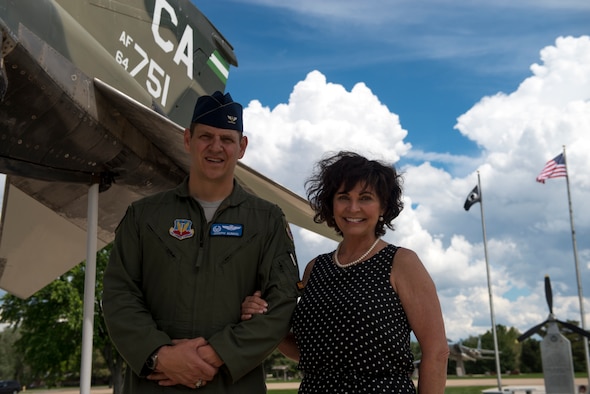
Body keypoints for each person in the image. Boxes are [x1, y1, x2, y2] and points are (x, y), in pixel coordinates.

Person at [102, 91, 302, 393]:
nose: (216, 147)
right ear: (187, 139)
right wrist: (160, 356)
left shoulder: (268, 220)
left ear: (242, 146)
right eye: (206, 136)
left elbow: (281, 304)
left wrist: (215, 354)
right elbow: (119, 295)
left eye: (226, 139)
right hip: (155, 384)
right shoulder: (143, 216)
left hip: (233, 385)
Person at [242, 151, 449, 393]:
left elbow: (437, 351)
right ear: (331, 204)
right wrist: (263, 320)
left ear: (383, 206)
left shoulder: (402, 263)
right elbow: (307, 352)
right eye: (343, 197)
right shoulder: (315, 269)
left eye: (365, 198)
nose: (353, 208)